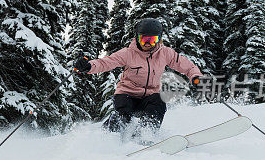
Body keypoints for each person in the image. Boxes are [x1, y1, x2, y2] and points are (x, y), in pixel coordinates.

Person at [73, 18, 203, 132]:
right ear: (137, 38)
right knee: (124, 113)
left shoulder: (165, 53)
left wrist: (196, 77)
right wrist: (89, 66)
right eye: (143, 39)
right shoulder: (128, 53)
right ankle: (110, 136)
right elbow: (107, 62)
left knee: (159, 103)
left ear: (158, 39)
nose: (147, 44)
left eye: (152, 40)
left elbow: (186, 65)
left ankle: (146, 133)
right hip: (127, 93)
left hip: (149, 96)